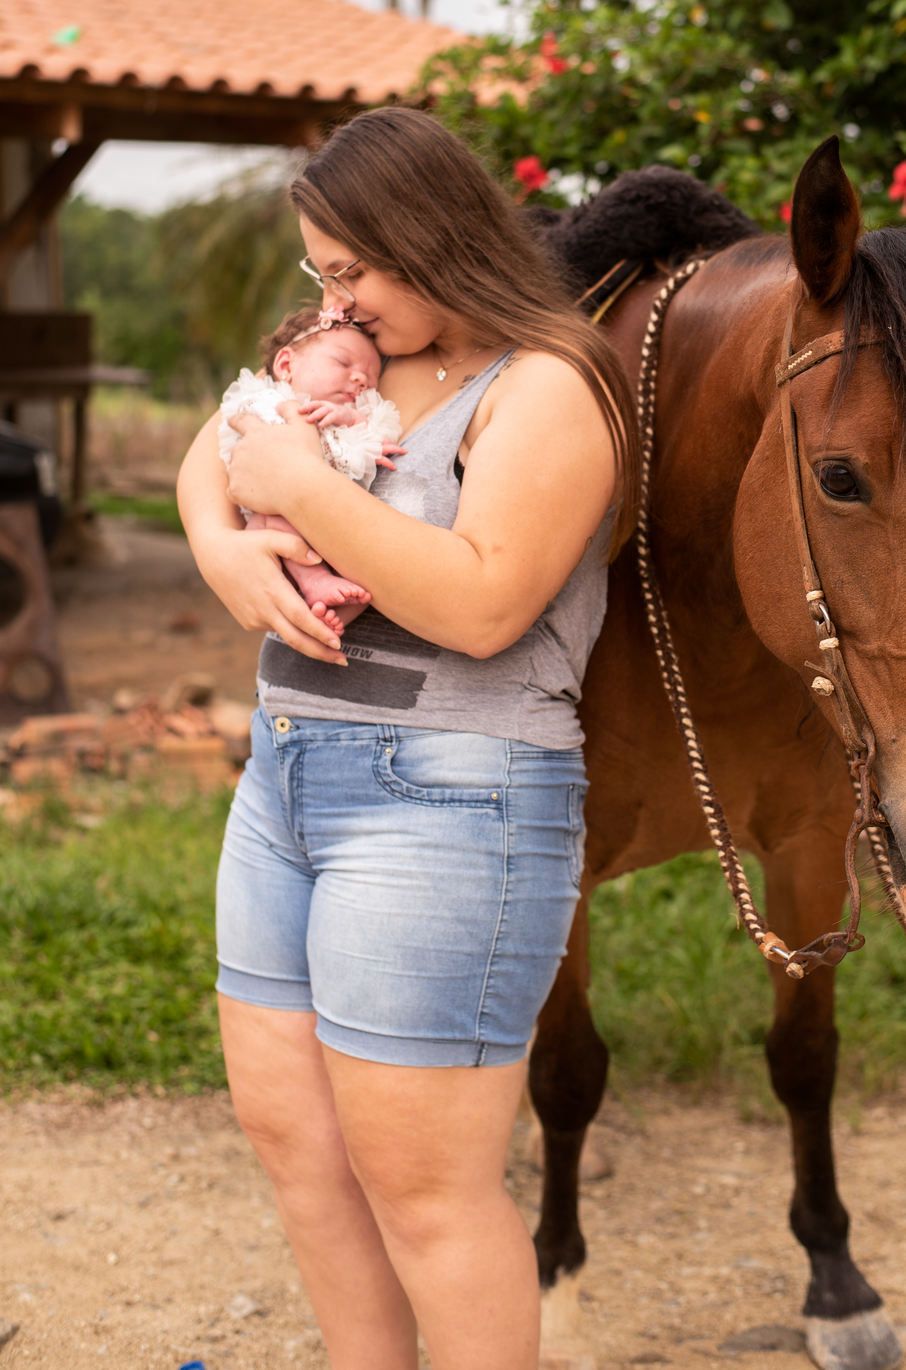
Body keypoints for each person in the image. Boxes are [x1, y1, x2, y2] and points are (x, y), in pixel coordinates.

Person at [176, 106, 637, 1370]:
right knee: (300, 1151)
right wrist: (223, 546)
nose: (336, 302)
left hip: (449, 800)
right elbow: (211, 459)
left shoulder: (550, 384)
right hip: (284, 782)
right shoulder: (349, 365)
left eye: (353, 271)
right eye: (321, 275)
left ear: (431, 236)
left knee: (425, 1191)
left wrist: (303, 488)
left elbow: (486, 604)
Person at [218, 304, 404, 629]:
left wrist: (360, 429)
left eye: (372, 376)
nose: (361, 377)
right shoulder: (266, 403)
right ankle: (314, 583)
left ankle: (324, 609)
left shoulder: (338, 414)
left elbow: (345, 455)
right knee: (276, 520)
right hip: (271, 516)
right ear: (286, 364)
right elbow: (293, 458)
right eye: (343, 362)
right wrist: (358, 444)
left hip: (323, 521)